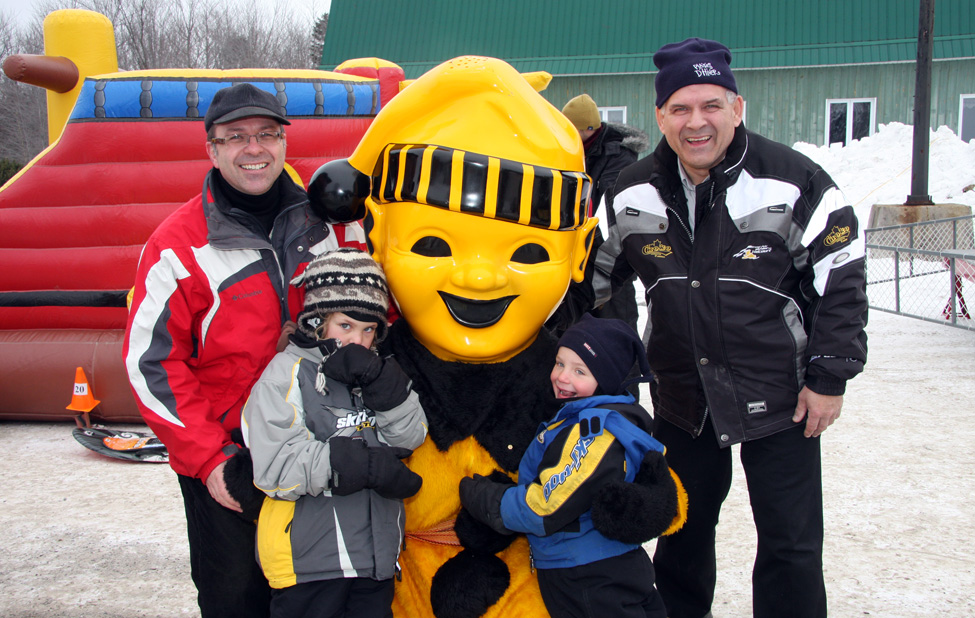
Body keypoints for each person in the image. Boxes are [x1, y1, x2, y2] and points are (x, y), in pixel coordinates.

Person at [590, 38, 868, 618]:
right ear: (660, 114)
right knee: (682, 533)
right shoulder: (629, 192)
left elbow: (841, 277)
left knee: (790, 543)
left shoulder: (792, 181)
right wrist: (590, 363)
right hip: (682, 397)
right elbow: (591, 283)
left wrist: (831, 376)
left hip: (782, 395)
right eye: (681, 108)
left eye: (711, 105)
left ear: (737, 108)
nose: (698, 123)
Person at [123, 83, 366, 618]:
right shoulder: (177, 246)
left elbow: (376, 309)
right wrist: (210, 461)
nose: (252, 148)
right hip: (233, 457)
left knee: (326, 592)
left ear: (283, 142)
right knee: (237, 599)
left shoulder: (331, 224)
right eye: (235, 137)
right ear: (211, 149)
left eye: (266, 134)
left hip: (321, 441)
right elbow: (150, 365)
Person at [457, 313, 687, 618]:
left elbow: (545, 507)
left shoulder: (595, 434)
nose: (563, 377)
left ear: (606, 380)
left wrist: (486, 499)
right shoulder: (585, 417)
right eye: (560, 363)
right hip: (608, 566)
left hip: (586, 574)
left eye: (580, 371)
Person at [241, 247, 427, 618]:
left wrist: (383, 386)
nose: (358, 341)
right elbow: (274, 465)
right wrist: (356, 464)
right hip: (309, 562)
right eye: (346, 326)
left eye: (369, 329)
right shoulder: (288, 372)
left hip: (374, 558)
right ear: (317, 321)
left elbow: (410, 437)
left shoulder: (378, 372)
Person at [559, 94, 648, 337]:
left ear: (590, 128)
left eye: (575, 129)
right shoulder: (566, 150)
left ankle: (622, 374)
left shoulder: (618, 156)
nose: (569, 134)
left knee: (613, 324)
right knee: (572, 325)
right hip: (572, 252)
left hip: (607, 252)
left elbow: (610, 209)